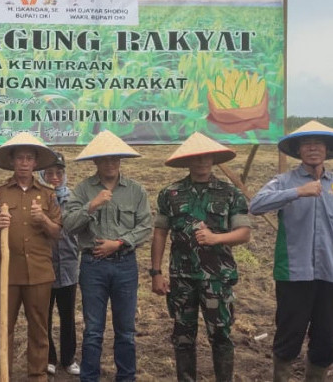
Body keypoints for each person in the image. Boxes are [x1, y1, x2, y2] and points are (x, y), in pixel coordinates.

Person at [151, 132, 251, 382]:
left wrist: (216, 238)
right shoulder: (170, 194)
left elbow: (244, 233)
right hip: (181, 278)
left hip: (217, 278)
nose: (202, 161)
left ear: (214, 159)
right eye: (196, 157)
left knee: (221, 336)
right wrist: (156, 272)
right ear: (187, 161)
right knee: (183, 337)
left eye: (206, 157)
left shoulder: (230, 193)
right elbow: (160, 233)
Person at [63, 130, 151, 382]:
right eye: (105, 159)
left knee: (125, 330)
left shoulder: (135, 190)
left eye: (115, 159)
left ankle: (126, 377)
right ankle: (89, 377)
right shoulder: (83, 190)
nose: (110, 163)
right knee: (93, 330)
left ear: (120, 161)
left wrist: (119, 243)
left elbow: (145, 225)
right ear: (96, 162)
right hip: (93, 266)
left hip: (125, 265)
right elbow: (68, 224)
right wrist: (92, 206)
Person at [250, 121, 333, 382]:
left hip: (329, 273)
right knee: (289, 334)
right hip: (294, 273)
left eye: (318, 144)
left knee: (327, 337)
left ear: (326, 149)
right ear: (298, 150)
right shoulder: (284, 181)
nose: (312, 149)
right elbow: (256, 205)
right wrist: (298, 192)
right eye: (306, 144)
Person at [0, 132, 61, 381]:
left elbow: (57, 232)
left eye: (29, 158)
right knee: (3, 327)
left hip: (39, 273)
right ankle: (1, 374)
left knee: (39, 328)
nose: (24, 163)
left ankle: (37, 375)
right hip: (7, 273)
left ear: (36, 163)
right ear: (13, 162)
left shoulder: (48, 195)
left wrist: (44, 219)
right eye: (20, 158)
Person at [39, 151, 81, 377]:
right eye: (49, 173)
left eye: (59, 173)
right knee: (44, 315)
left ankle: (69, 358)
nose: (54, 177)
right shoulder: (37, 199)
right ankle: (49, 357)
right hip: (44, 268)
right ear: (42, 174)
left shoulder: (73, 199)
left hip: (69, 266)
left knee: (67, 315)